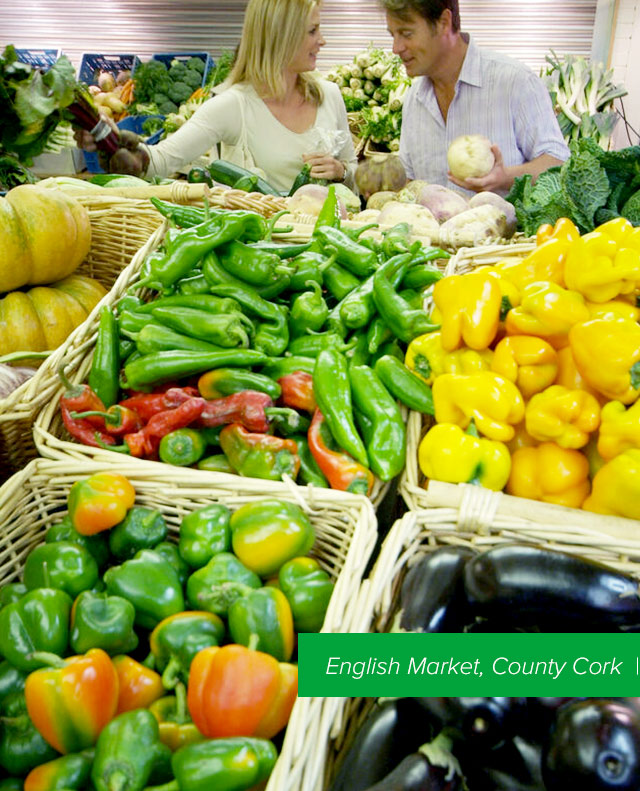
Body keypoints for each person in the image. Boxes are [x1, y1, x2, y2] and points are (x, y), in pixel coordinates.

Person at [78, 0, 357, 194]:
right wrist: (110, 140)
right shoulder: (233, 105)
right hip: (267, 256)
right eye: (312, 31)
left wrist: (341, 171)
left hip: (329, 248)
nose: (323, 40)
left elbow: (353, 172)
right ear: (280, 37)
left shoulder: (328, 95)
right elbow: (161, 161)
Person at [380, 0, 570, 195]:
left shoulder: (515, 82)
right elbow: (411, 181)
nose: (396, 48)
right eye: (393, 35)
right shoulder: (414, 98)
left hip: (503, 225)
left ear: (444, 22)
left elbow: (559, 165)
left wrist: (506, 178)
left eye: (406, 34)